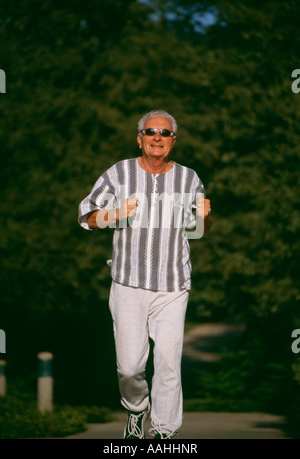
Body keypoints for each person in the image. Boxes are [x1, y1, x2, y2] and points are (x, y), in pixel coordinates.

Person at [78, 110, 212, 439]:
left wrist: (207, 218)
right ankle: (137, 408)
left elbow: (198, 230)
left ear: (173, 141)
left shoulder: (189, 179)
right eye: (150, 131)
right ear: (139, 138)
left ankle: (163, 431)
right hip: (127, 284)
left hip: (172, 286)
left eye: (164, 133)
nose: (157, 137)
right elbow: (85, 215)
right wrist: (114, 213)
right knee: (129, 367)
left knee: (168, 360)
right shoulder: (119, 174)